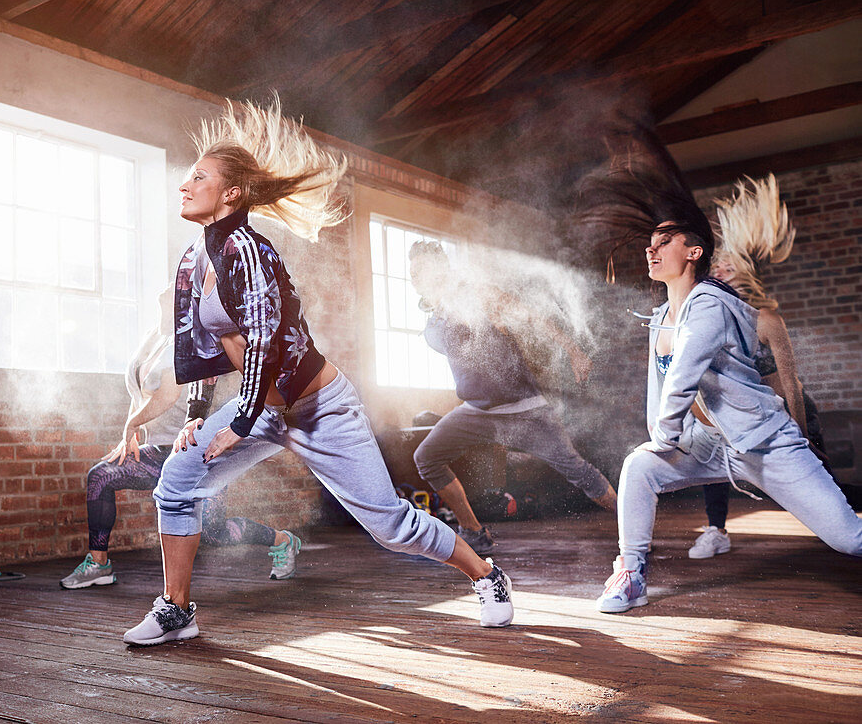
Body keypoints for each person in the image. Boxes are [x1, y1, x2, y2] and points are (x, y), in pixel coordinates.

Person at [122, 98, 513, 646]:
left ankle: (487, 575)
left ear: (231, 193)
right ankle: (176, 610)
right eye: (185, 178)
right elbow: (203, 351)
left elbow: (266, 341)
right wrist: (195, 417)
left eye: (198, 177)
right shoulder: (193, 261)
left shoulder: (250, 251)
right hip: (258, 407)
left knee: (391, 526)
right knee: (177, 484)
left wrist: (241, 419)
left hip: (317, 406)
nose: (183, 187)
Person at [585, 127, 862, 614]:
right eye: (650, 242)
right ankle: (630, 574)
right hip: (712, 447)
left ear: (693, 252)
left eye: (664, 241)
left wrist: (665, 433)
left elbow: (684, 378)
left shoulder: (709, 304)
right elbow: (661, 392)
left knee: (848, 538)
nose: (652, 250)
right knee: (639, 467)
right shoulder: (660, 319)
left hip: (763, 443)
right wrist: (666, 438)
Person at [60, 287, 301, 591]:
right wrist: (131, 434)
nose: (165, 309)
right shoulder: (154, 338)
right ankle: (98, 564)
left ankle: (282, 541)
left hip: (192, 448)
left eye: (170, 305)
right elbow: (139, 389)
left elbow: (168, 393)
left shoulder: (189, 342)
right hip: (159, 448)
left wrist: (132, 424)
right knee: (101, 477)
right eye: (161, 303)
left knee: (214, 533)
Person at [408, 241, 617, 556]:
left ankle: (634, 525)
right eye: (413, 271)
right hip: (476, 412)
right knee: (427, 457)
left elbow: (533, 318)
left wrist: (574, 351)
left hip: (524, 411)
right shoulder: (434, 316)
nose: (416, 275)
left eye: (424, 267)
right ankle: (473, 531)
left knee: (578, 471)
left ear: (443, 269)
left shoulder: (477, 295)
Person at [688, 176, 828, 559]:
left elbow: (791, 381)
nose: (720, 266)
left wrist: (800, 431)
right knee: (710, 449)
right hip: (735, 415)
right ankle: (716, 529)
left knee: (819, 481)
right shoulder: (709, 318)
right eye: (716, 263)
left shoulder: (765, 318)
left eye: (728, 262)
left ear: (746, 269)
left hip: (784, 412)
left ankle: (840, 521)